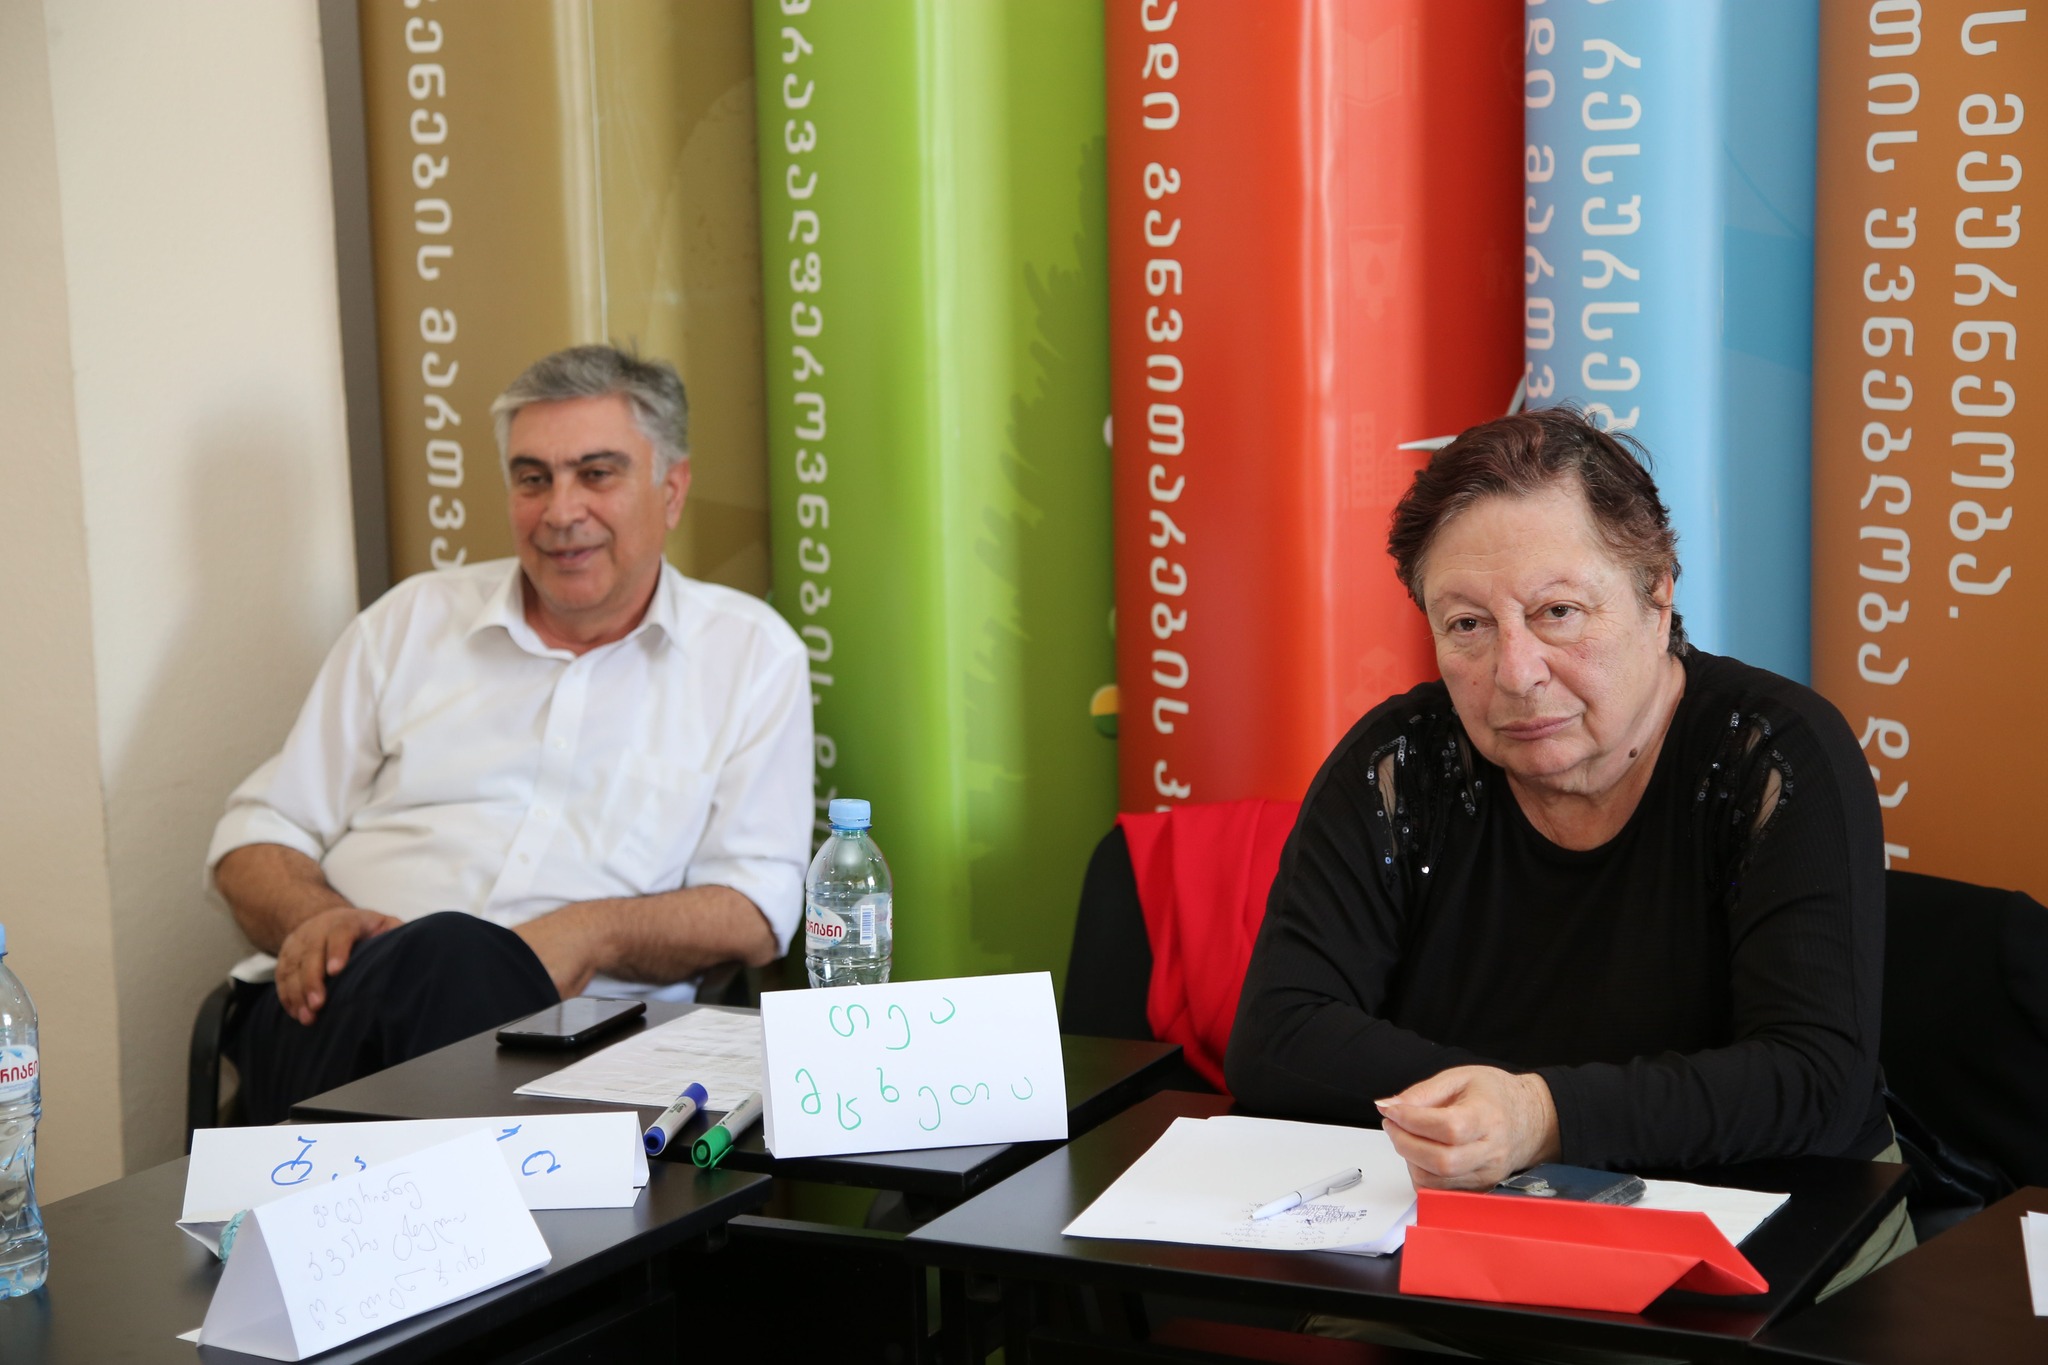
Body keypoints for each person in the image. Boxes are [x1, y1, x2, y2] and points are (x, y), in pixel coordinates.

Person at [1226, 407, 1908, 1288]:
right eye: (1467, 624)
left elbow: (1814, 1077)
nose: (1516, 672)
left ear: (1657, 596)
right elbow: (1278, 1035)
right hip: (1485, 1244)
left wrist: (1538, 1114)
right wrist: (1495, 1117)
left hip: (1775, 1241)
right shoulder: (1401, 764)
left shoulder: (1777, 754)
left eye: (1557, 612)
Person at [207, 345, 811, 1124]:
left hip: (588, 1039)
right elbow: (257, 833)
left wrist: (589, 932)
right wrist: (313, 919)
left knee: (459, 960)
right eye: (533, 479)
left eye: (596, 473)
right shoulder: (411, 621)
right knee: (445, 955)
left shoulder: (750, 656)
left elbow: (758, 907)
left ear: (672, 489)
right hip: (340, 1011)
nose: (560, 511)